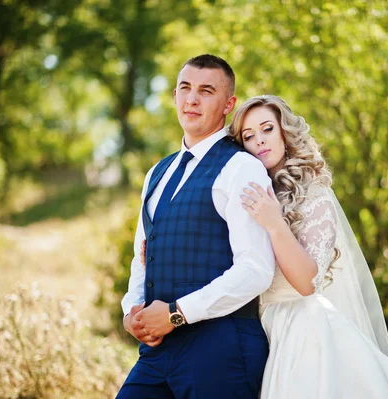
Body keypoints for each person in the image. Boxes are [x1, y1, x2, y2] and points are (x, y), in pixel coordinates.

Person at [228, 95, 388, 398]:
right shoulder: (245, 193)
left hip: (302, 329)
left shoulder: (314, 193)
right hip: (253, 326)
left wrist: (275, 224)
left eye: (267, 129)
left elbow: (307, 283)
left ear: (284, 133)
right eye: (248, 136)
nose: (259, 141)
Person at [116, 55, 276, 399]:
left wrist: (176, 314)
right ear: (174, 94)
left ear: (228, 105)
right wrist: (132, 311)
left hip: (221, 349)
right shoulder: (157, 173)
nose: (192, 99)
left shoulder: (240, 168)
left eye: (206, 91)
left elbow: (256, 269)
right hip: (158, 353)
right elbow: (143, 257)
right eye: (185, 88)